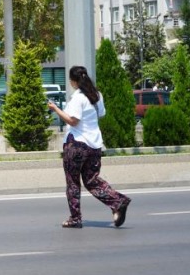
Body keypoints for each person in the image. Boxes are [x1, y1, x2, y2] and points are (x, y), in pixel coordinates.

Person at [48, 66, 131, 229]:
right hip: (94, 145)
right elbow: (101, 114)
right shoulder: (97, 95)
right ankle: (118, 201)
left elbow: (73, 120)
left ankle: (75, 218)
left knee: (73, 182)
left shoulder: (78, 97)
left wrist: (55, 109)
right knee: (92, 180)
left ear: (73, 81)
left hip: (77, 144)